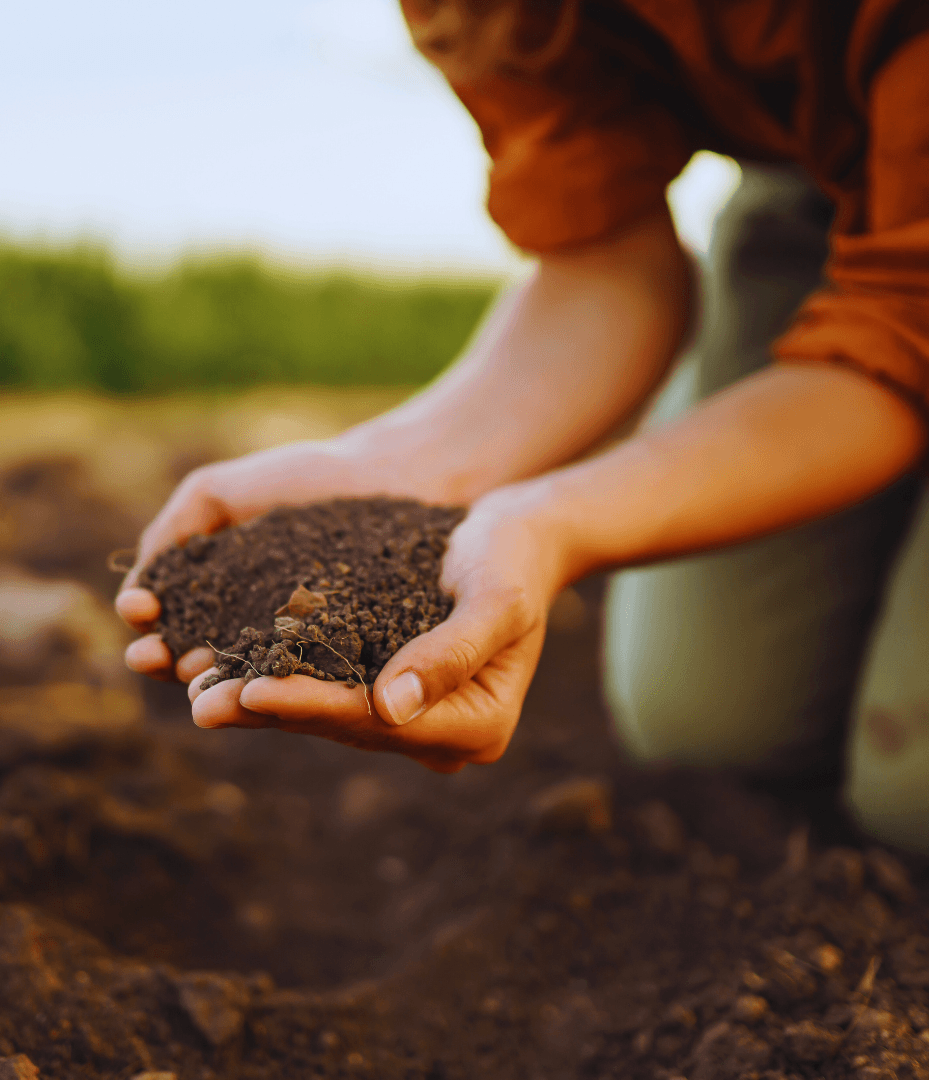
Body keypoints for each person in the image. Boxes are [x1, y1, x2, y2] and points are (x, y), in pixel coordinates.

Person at [117, 0, 929, 852]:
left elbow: (906, 322)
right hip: (830, 175)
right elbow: (604, 260)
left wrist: (562, 522)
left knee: (911, 794)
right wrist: (408, 468)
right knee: (709, 723)